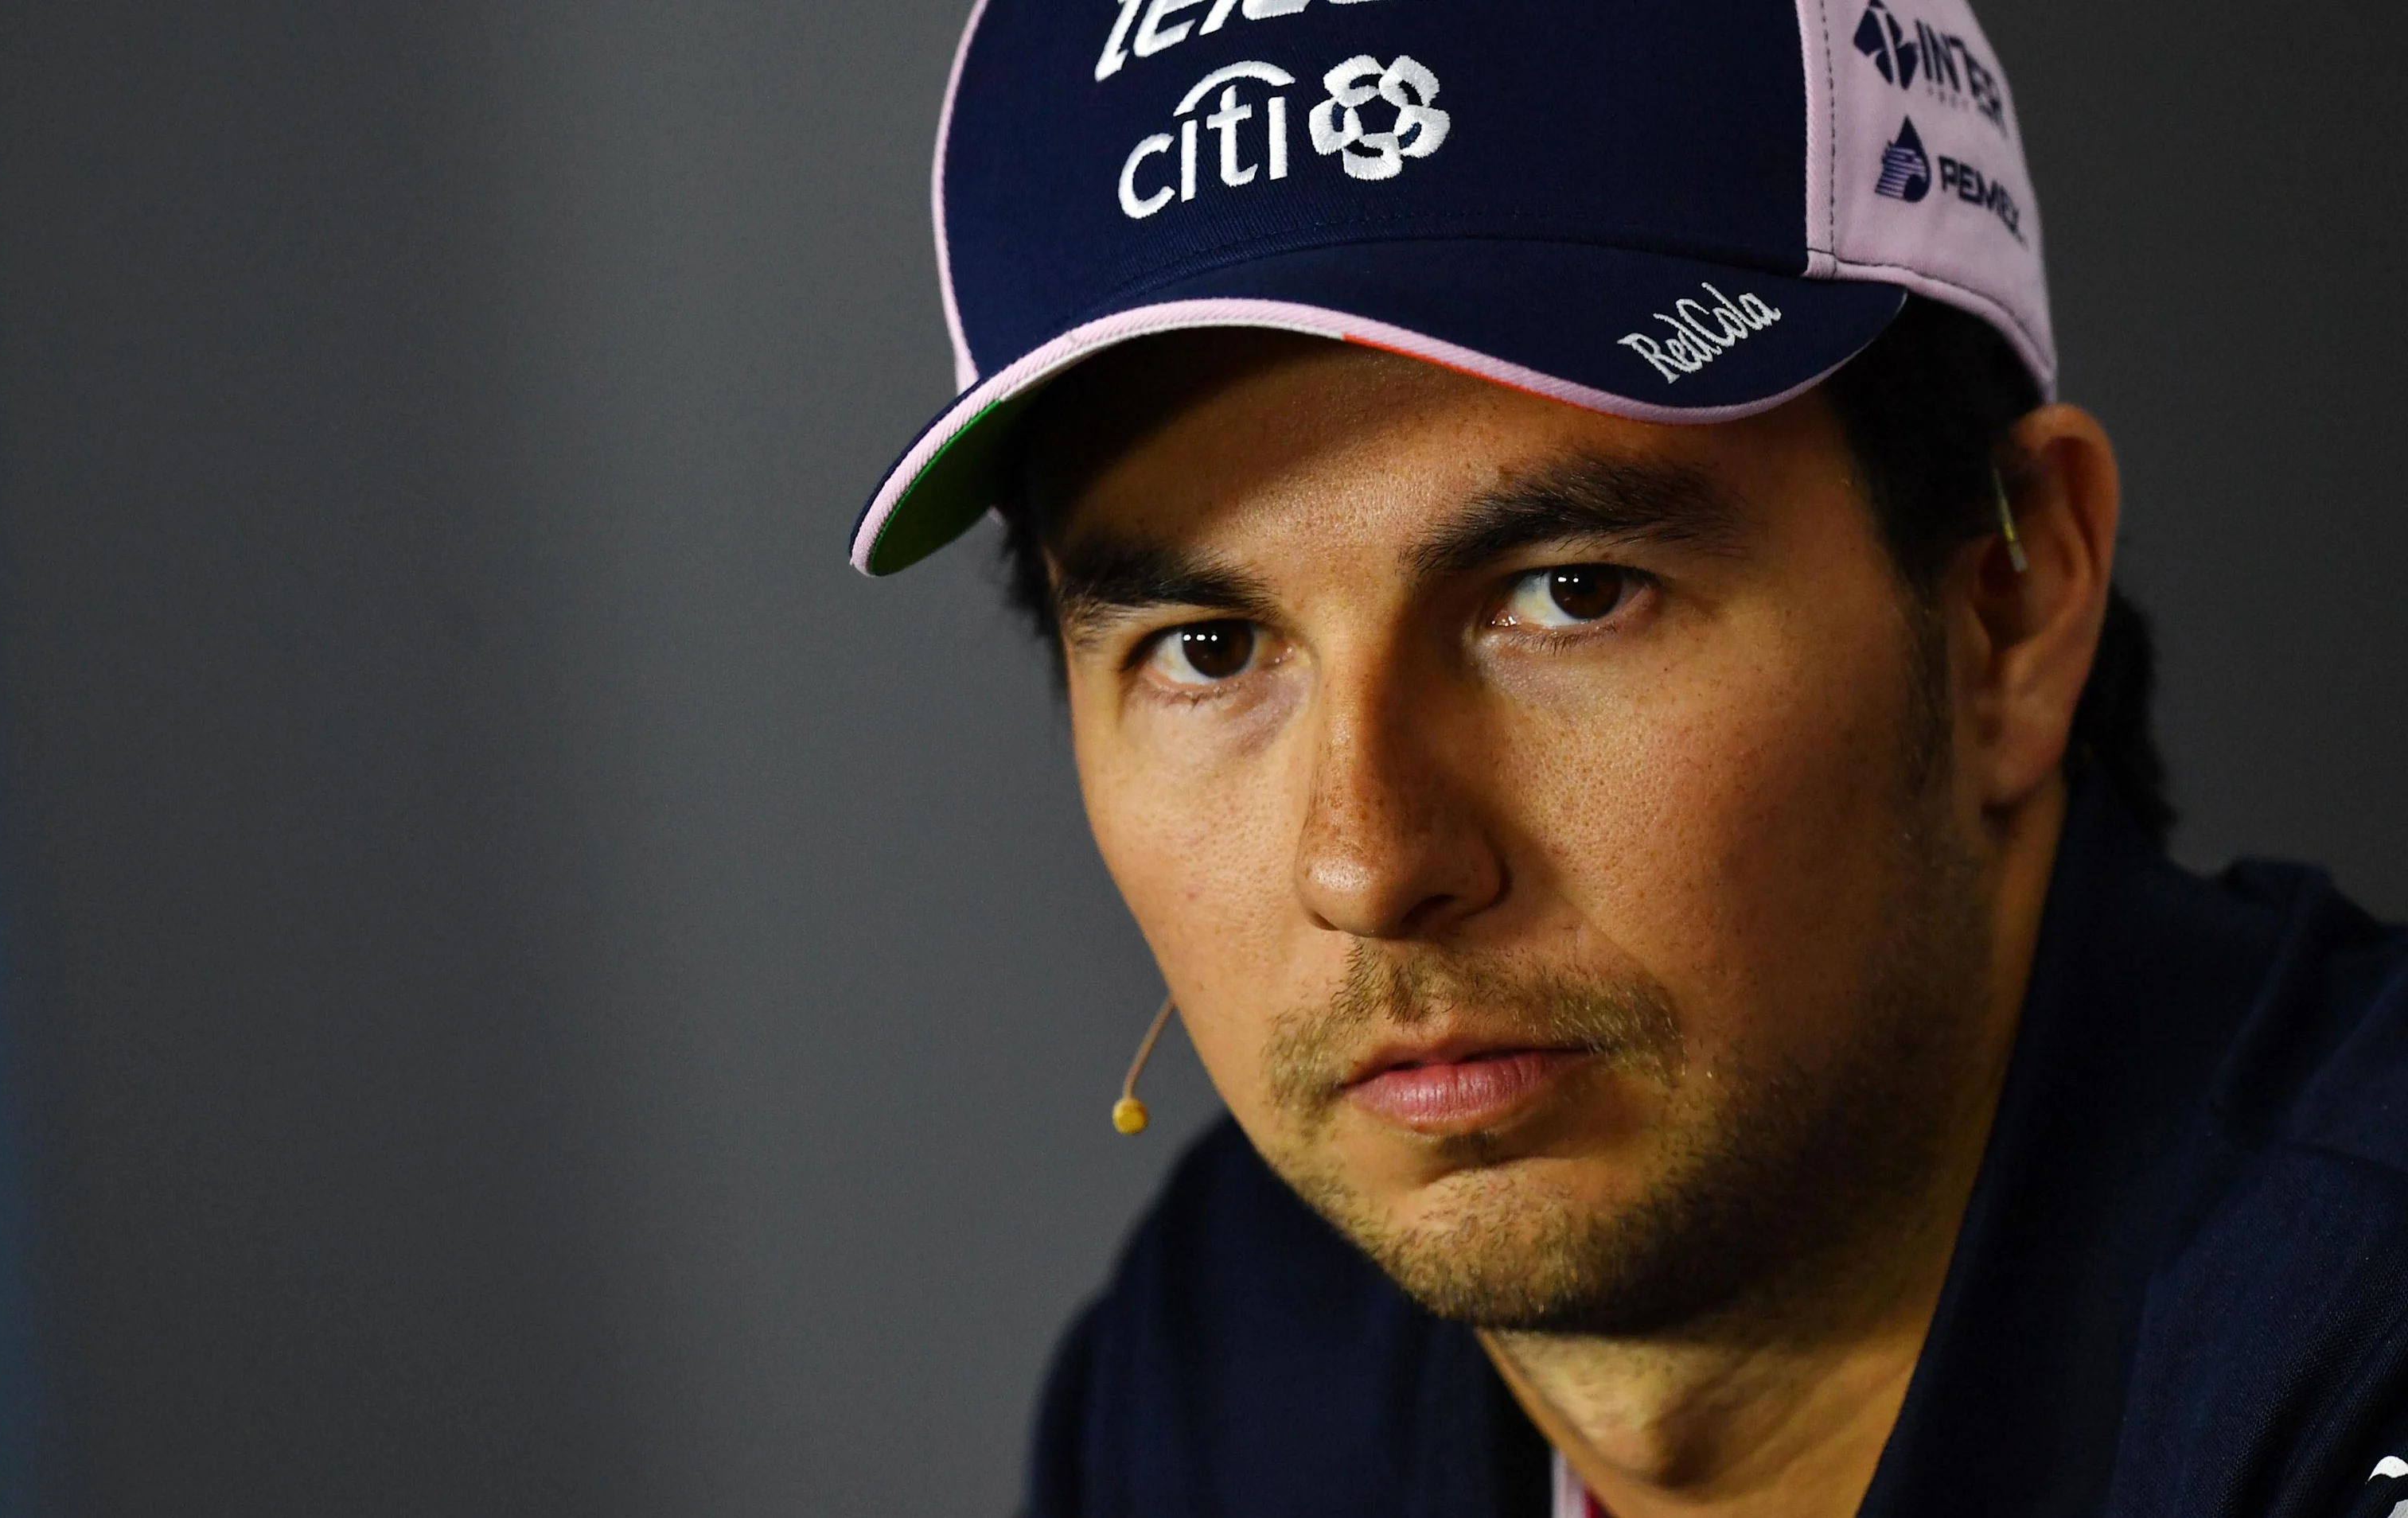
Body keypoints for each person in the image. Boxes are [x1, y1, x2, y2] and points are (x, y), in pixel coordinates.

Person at [850, 2, 2408, 1514]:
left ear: (2010, 608)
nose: (1370, 861)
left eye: (1571, 594)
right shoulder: (1233, 1361)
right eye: (1206, 646)